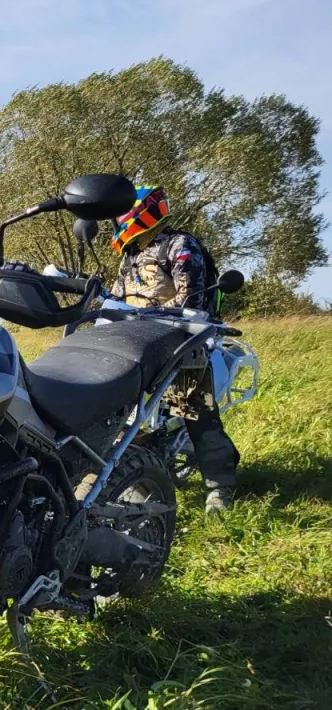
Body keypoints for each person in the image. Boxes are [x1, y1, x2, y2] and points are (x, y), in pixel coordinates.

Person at [110, 185, 239, 513]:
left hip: (180, 341)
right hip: (135, 342)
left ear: (138, 214)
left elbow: (192, 299)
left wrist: (153, 314)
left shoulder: (179, 246)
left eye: (121, 216)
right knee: (117, 417)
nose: (117, 223)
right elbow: (115, 296)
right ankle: (133, 480)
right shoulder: (133, 254)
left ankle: (219, 485)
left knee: (195, 411)